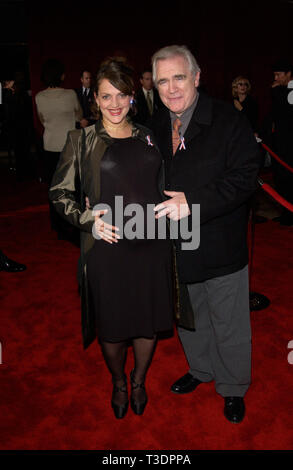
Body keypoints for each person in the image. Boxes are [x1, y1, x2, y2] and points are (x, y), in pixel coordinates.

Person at [49, 58, 174, 419]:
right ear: (96, 100)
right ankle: (119, 382)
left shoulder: (148, 134)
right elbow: (59, 193)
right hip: (109, 245)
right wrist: (88, 219)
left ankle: (138, 381)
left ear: (133, 97)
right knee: (114, 326)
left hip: (152, 242)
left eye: (122, 95)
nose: (115, 104)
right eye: (106, 97)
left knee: (148, 322)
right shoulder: (81, 140)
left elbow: (160, 182)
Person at [149, 45, 261, 424]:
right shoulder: (155, 125)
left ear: (197, 77)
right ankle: (201, 369)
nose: (171, 88)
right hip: (176, 244)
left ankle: (232, 387)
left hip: (219, 241)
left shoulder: (230, 120)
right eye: (162, 80)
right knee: (189, 316)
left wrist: (193, 202)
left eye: (179, 77)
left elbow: (246, 178)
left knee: (229, 321)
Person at [35, 59, 83, 239]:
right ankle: (74, 222)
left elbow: (42, 119)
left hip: (49, 145)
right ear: (61, 75)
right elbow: (78, 114)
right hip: (69, 145)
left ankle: (57, 225)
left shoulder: (39, 97)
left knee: (54, 187)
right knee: (74, 187)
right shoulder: (70, 94)